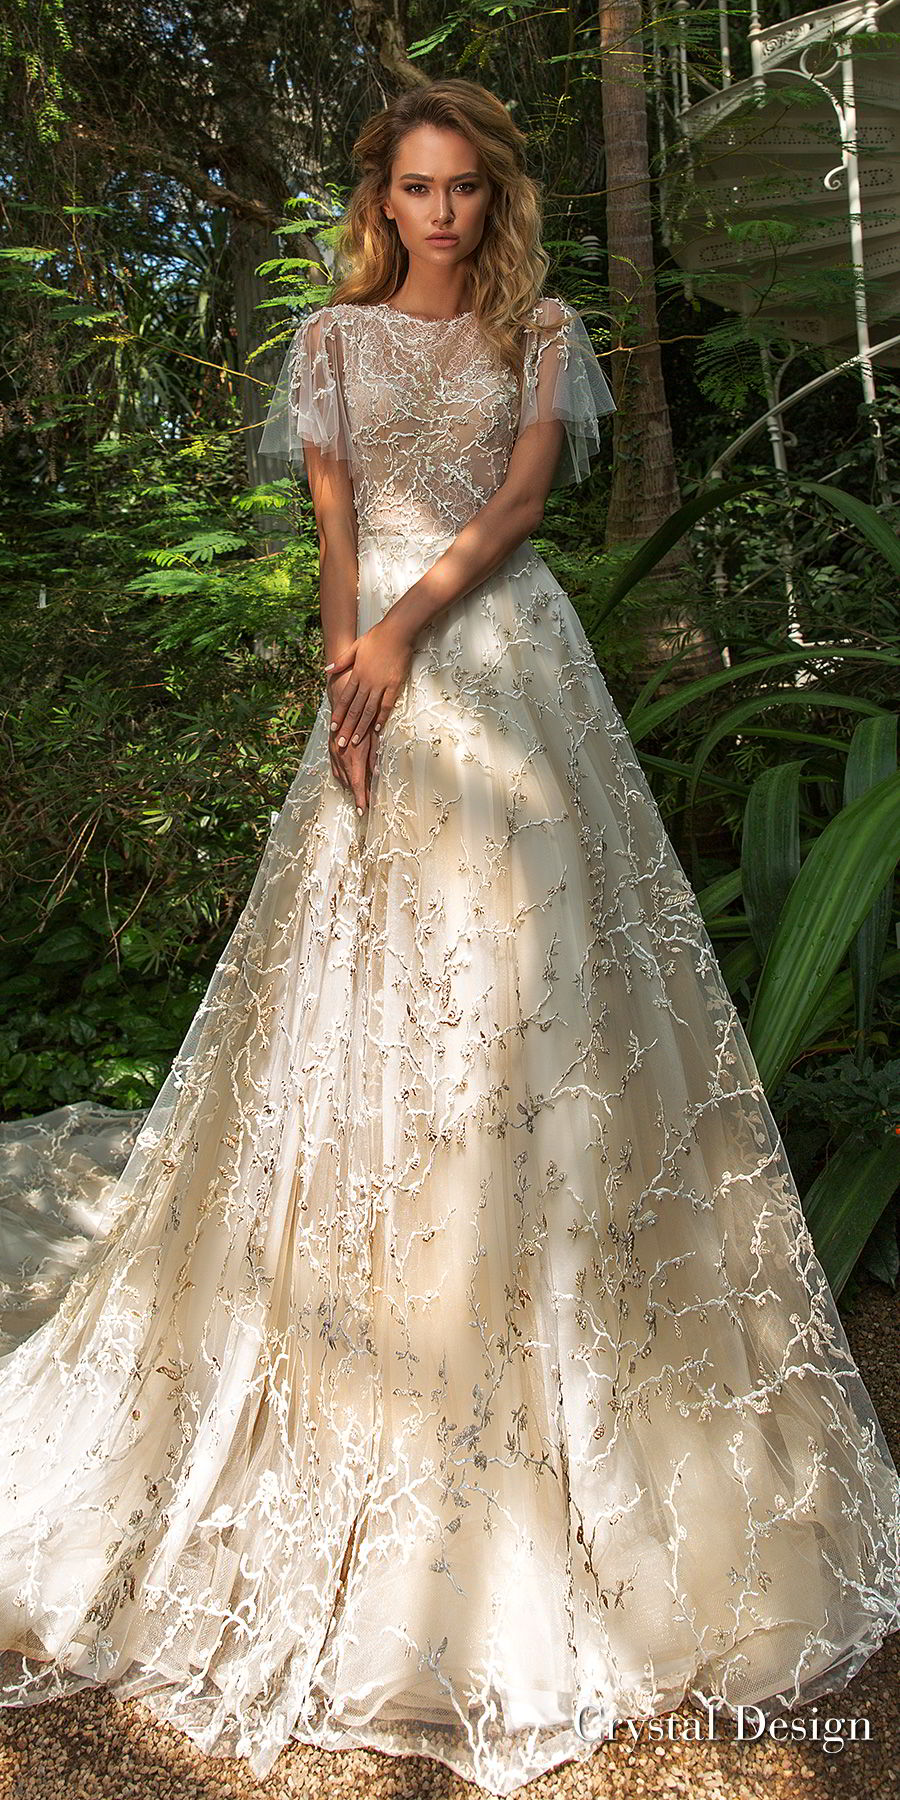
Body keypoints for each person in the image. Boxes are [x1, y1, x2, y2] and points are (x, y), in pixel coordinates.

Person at [0, 75, 898, 1800]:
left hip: (504, 662)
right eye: (415, 190)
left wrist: (409, 631)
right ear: (379, 197)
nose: (441, 215)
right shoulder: (330, 345)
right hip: (386, 683)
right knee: (372, 1015)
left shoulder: (543, 329)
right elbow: (337, 525)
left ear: (495, 200)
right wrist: (343, 677)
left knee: (540, 1002)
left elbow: (520, 512)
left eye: (465, 190)